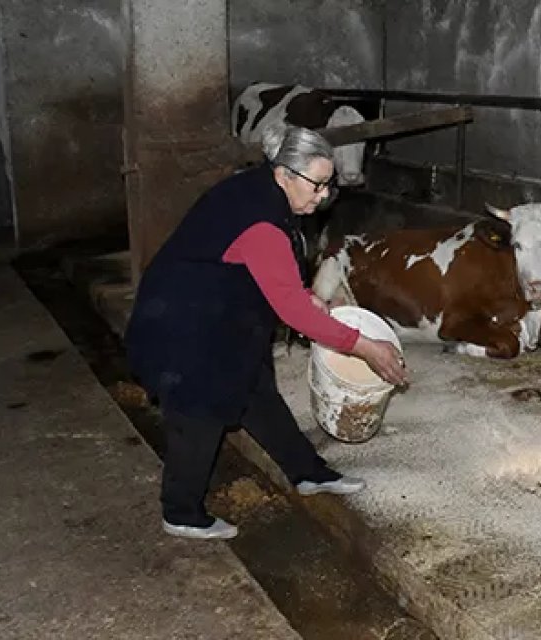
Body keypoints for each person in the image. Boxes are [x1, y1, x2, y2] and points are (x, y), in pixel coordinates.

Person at [124, 125, 408, 540]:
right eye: (317, 185)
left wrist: (309, 296)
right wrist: (365, 347)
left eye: (328, 185)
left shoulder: (268, 194)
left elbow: (281, 280)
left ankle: (307, 472)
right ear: (285, 174)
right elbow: (290, 309)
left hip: (222, 312)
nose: (323, 195)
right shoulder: (261, 220)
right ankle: (181, 511)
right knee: (198, 412)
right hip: (184, 323)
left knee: (256, 391)